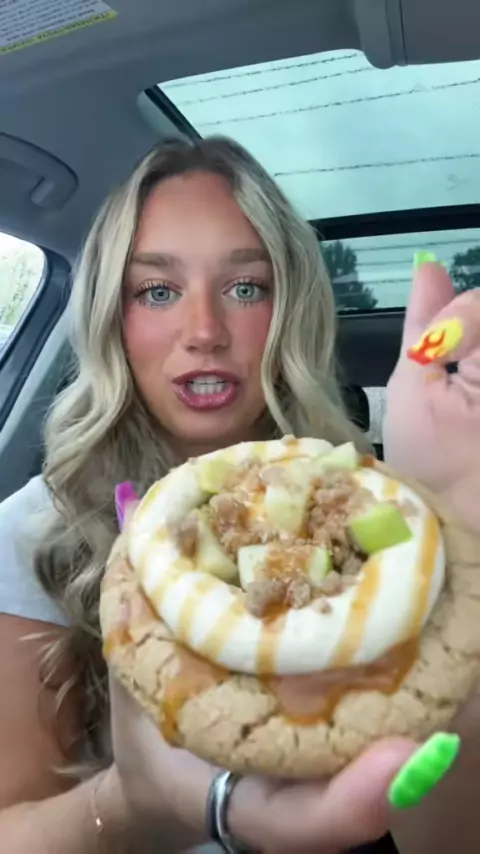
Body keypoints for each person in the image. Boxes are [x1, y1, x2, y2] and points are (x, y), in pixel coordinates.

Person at [0, 135, 475, 853]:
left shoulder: (379, 511)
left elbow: (443, 834)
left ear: (290, 308)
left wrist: (459, 534)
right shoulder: (34, 531)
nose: (204, 332)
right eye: (158, 291)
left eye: (245, 287)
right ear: (110, 316)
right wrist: (137, 802)